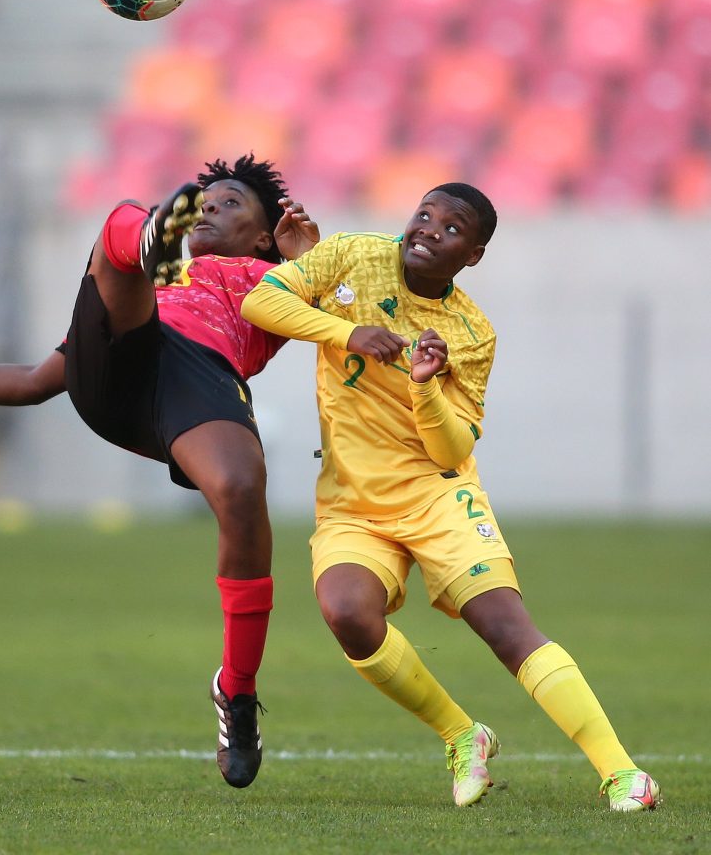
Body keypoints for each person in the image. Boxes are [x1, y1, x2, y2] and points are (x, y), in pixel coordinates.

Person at [0, 154, 319, 790]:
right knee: (119, 230)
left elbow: (352, 313)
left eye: (231, 203)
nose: (211, 207)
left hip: (198, 381)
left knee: (242, 490)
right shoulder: (144, 290)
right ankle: (144, 234)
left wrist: (308, 263)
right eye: (205, 201)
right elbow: (33, 381)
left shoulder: (277, 278)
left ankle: (237, 691)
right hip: (117, 365)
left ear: (265, 237)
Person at [241, 182, 660, 812]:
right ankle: (464, 735)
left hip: (438, 495)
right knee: (347, 612)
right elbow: (260, 302)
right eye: (424, 214)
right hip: (353, 501)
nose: (430, 229)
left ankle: (622, 773)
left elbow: (450, 447)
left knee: (504, 627)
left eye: (453, 228)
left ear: (473, 255)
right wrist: (348, 334)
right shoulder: (354, 253)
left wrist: (425, 387)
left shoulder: (470, 332)